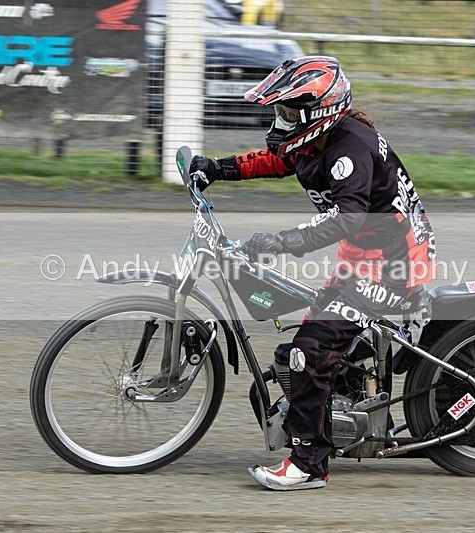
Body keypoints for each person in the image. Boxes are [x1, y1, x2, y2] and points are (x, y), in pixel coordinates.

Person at [190, 56, 436, 491]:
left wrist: (280, 242)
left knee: (309, 351)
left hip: (392, 265)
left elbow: (347, 218)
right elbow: (274, 161)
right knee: (310, 348)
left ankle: (309, 464)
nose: (280, 121)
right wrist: (217, 168)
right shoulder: (316, 142)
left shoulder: (350, 149)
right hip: (367, 255)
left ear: (318, 113)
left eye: (288, 112)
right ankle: (357, 409)